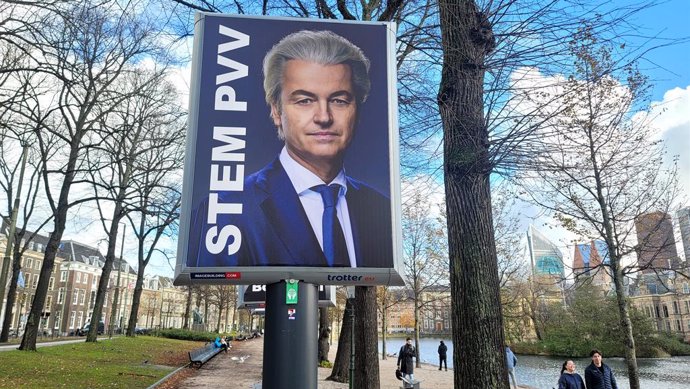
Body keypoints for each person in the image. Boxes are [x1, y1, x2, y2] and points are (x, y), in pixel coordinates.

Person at [189, 30, 393, 268]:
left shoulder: (381, 209)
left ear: (357, 109)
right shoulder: (226, 209)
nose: (324, 117)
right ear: (277, 111)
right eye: (304, 100)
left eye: (339, 100)